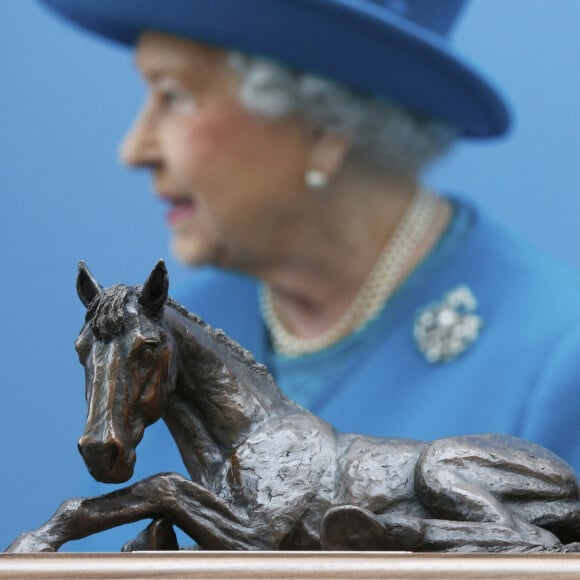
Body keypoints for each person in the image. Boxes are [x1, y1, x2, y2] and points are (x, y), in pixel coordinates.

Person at [38, 0, 580, 527]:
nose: (134, 148)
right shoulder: (160, 336)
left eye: (173, 96)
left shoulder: (557, 358)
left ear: (326, 126)